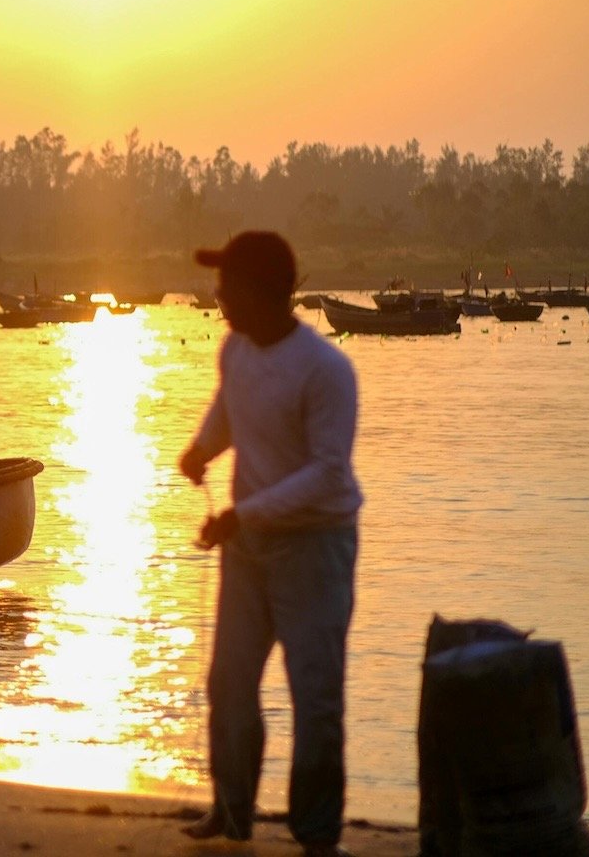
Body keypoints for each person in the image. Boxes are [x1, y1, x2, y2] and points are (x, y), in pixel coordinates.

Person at [178, 231, 362, 857]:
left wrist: (242, 514)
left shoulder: (326, 369)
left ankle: (316, 833)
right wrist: (203, 448)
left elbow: (329, 472)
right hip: (249, 543)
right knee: (228, 681)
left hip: (317, 546)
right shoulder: (235, 348)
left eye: (226, 286)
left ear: (261, 292)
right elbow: (230, 408)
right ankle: (231, 811)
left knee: (315, 693)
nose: (217, 297)